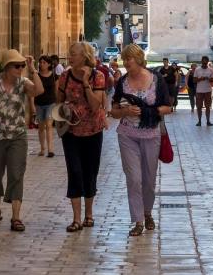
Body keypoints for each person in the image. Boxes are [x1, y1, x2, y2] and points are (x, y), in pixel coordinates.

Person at [110, 45, 173, 238]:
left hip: (151, 134)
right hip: (127, 135)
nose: (126, 62)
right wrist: (125, 112)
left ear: (138, 59)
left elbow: (167, 107)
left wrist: (149, 111)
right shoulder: (122, 82)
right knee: (134, 179)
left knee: (149, 180)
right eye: (124, 59)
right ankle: (137, 220)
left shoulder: (156, 79)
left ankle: (147, 213)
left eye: (129, 58)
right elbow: (113, 111)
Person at [0, 49, 39, 232]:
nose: (20, 69)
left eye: (22, 65)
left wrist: (32, 69)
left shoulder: (24, 83)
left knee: (16, 173)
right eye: (17, 66)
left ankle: (16, 216)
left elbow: (39, 90)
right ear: (6, 67)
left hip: (17, 136)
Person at [59, 39, 111, 232]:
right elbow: (59, 99)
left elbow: (95, 104)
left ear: (85, 57)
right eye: (70, 53)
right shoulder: (64, 76)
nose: (70, 57)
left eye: (74, 54)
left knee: (90, 171)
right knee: (75, 171)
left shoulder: (97, 76)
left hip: (93, 131)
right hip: (71, 131)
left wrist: (84, 83)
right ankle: (76, 218)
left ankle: (89, 214)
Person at [32, 54, 60, 158]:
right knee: (41, 127)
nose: (41, 64)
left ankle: (50, 149)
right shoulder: (37, 76)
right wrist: (32, 106)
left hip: (50, 103)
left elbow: (56, 91)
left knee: (48, 125)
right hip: (39, 103)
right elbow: (33, 90)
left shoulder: (54, 76)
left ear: (48, 64)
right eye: (40, 62)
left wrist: (58, 103)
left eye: (44, 62)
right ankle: (42, 148)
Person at [190, 55, 213, 126]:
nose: (204, 64)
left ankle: (208, 121)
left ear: (207, 62)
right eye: (203, 62)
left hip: (208, 90)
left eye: (206, 63)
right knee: (199, 106)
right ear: (201, 62)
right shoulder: (197, 69)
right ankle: (199, 121)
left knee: (208, 106)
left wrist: (208, 78)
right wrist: (200, 79)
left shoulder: (210, 70)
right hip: (199, 91)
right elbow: (194, 80)